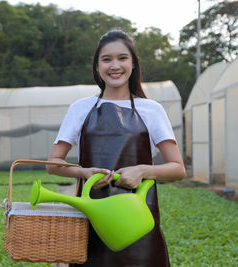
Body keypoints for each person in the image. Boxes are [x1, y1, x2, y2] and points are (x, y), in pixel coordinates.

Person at [46, 30, 186, 267]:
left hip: (139, 220)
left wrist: (142, 170)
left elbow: (178, 168)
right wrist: (84, 172)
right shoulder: (80, 108)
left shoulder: (152, 110)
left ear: (133, 64)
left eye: (122, 58)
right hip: (92, 220)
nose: (115, 66)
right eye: (106, 59)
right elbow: (53, 164)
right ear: (97, 65)